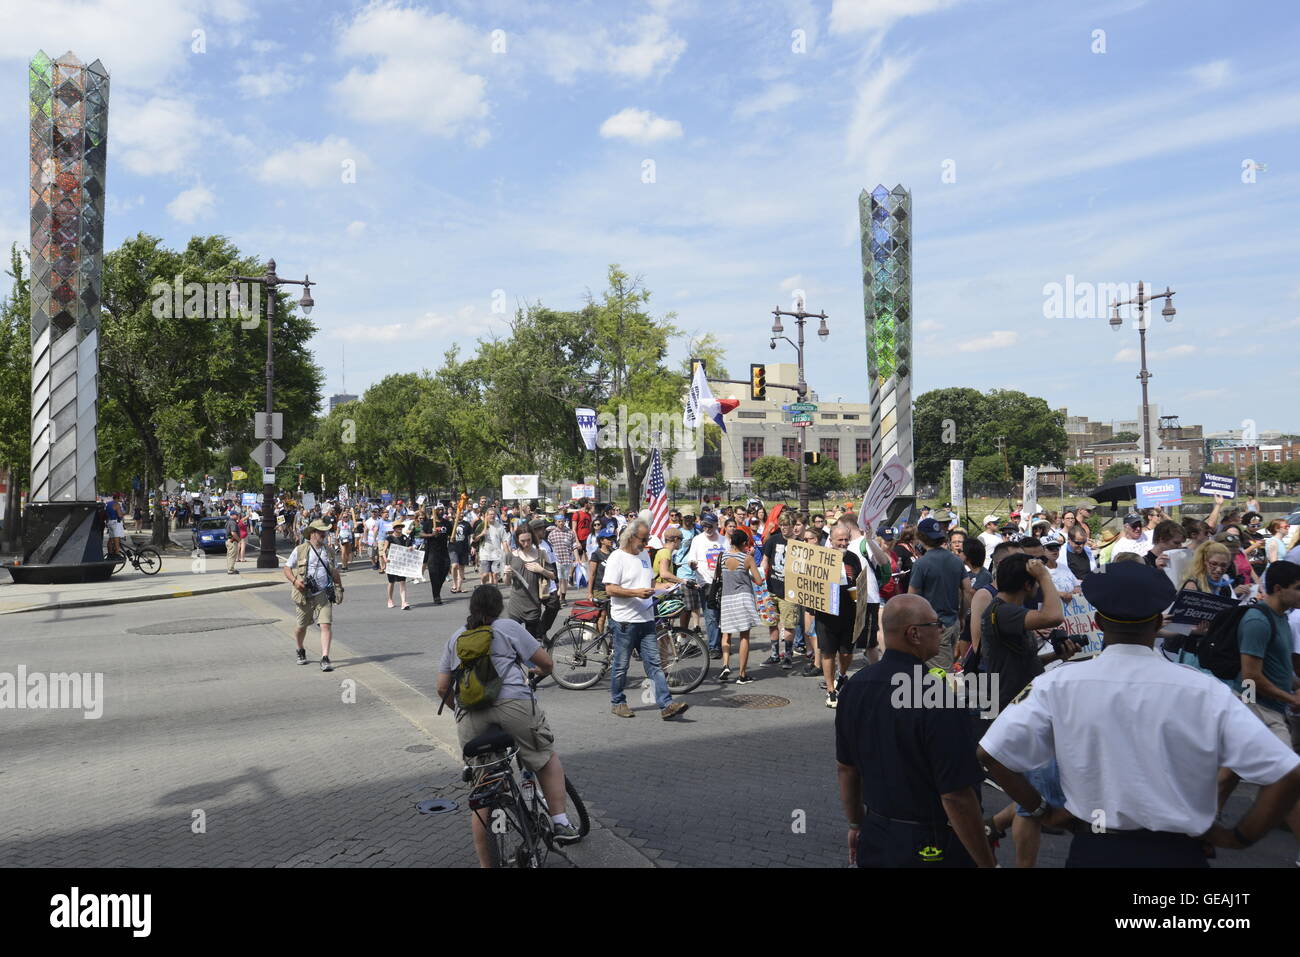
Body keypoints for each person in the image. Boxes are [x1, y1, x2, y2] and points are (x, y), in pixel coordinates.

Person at [978, 560, 1300, 867]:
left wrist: (1040, 809)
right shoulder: (1205, 691)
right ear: (1159, 623)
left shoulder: (1055, 685)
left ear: (1100, 623)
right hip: (1178, 853)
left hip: (1094, 850)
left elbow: (990, 753)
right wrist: (1239, 837)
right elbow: (1287, 773)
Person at [835, 594, 996, 868]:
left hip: (876, 835)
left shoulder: (854, 687)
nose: (942, 629)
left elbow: (846, 769)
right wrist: (986, 862)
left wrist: (855, 823)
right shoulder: (936, 695)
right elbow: (956, 795)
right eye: (936, 624)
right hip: (930, 842)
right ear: (915, 634)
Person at [435, 585, 581, 865]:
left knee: (483, 793)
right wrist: (535, 671)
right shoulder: (509, 628)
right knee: (543, 756)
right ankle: (561, 822)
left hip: (472, 716)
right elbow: (547, 664)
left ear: (472, 608)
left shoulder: (456, 637)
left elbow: (442, 688)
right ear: (498, 607)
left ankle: (487, 864)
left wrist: (460, 712)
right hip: (514, 705)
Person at [1217, 561, 1300, 859]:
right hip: (1255, 707)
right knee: (1288, 778)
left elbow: (1279, 668)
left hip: (1264, 707)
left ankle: (1195, 830)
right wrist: (1291, 700)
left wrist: (1294, 686)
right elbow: (1251, 676)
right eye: (1298, 588)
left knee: (1229, 776)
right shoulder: (1257, 620)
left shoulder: (1281, 618)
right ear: (1279, 589)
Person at [604, 519, 690, 720]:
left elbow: (650, 583)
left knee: (654, 664)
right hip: (624, 621)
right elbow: (609, 589)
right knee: (621, 665)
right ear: (631, 537)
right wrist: (635, 593)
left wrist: (670, 588)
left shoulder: (644, 554)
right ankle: (618, 702)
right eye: (643, 539)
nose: (646, 543)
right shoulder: (617, 557)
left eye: (647, 538)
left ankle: (666, 705)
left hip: (646, 619)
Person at [284, 519, 345, 672]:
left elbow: (334, 572)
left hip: (323, 593)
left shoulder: (329, 551)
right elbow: (286, 568)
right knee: (301, 626)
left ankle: (325, 657)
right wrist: (295, 581)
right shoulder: (300, 549)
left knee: (325, 624)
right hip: (304, 594)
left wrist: (339, 587)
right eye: (321, 532)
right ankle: (300, 649)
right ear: (312, 533)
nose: (324, 534)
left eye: (325, 532)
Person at [907, 518, 967, 671]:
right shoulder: (956, 561)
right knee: (946, 670)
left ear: (920, 537)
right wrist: (961, 616)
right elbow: (967, 590)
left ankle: (948, 695)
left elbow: (911, 598)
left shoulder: (921, 564)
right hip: (953, 623)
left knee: (941, 675)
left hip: (934, 627)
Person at [815, 522, 860, 709]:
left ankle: (842, 675)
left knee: (847, 652)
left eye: (846, 539)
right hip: (826, 614)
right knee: (828, 652)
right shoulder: (820, 557)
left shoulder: (853, 558)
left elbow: (858, 580)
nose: (843, 543)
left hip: (849, 612)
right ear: (831, 540)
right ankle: (830, 689)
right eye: (839, 539)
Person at [717, 530, 764, 684]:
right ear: (744, 543)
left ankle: (725, 664)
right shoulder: (747, 558)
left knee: (726, 633)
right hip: (743, 597)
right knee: (744, 636)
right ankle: (742, 674)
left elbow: (719, 576)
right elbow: (759, 581)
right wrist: (747, 574)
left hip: (726, 598)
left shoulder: (722, 556)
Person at [504, 524, 555, 642]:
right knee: (511, 641)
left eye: (529, 540)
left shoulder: (541, 553)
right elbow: (507, 583)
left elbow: (553, 576)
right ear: (517, 540)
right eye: (522, 541)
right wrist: (506, 573)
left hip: (533, 606)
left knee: (529, 644)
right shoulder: (510, 555)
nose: (526, 544)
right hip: (515, 606)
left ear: (533, 538)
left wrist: (541, 570)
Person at [687, 514, 727, 658]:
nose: (707, 529)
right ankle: (714, 647)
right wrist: (692, 564)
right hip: (706, 583)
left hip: (723, 582)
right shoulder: (698, 540)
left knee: (722, 615)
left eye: (710, 525)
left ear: (716, 525)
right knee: (711, 615)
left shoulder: (724, 540)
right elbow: (691, 559)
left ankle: (723, 643)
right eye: (704, 526)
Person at [760, 510, 797, 669]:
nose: (783, 528)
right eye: (781, 525)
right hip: (772, 587)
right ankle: (775, 654)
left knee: (789, 623)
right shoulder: (773, 540)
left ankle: (788, 655)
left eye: (786, 525)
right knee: (772, 622)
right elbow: (765, 560)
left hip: (789, 590)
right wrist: (761, 578)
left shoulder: (799, 543)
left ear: (793, 526)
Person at [421, 507, 451, 605]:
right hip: (432, 552)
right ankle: (436, 596)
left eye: (442, 510)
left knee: (445, 570)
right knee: (434, 574)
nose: (441, 511)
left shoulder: (446, 523)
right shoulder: (429, 523)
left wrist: (452, 539)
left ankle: (437, 590)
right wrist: (431, 535)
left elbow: (451, 535)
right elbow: (421, 534)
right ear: (435, 511)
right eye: (439, 510)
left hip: (444, 551)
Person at [548, 513, 578, 602]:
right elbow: (549, 548)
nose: (561, 523)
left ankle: (562, 597)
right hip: (556, 560)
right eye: (559, 521)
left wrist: (577, 558)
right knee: (559, 579)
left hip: (567, 559)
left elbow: (574, 546)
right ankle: (559, 597)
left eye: (562, 521)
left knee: (564, 579)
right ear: (556, 522)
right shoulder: (551, 534)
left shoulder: (570, 532)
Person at [385, 518, 413, 610]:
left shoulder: (405, 537)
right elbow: (384, 550)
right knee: (391, 582)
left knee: (402, 582)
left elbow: (409, 547)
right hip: (392, 563)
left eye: (401, 527)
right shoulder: (389, 538)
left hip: (402, 563)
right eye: (398, 527)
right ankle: (390, 599)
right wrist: (385, 559)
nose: (400, 528)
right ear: (394, 528)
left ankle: (404, 602)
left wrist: (410, 548)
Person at [475, 507, 507, 586]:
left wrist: (507, 553)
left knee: (495, 575)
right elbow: (474, 540)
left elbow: (504, 541)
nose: (492, 516)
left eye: (493, 514)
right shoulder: (481, 526)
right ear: (487, 516)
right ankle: (482, 585)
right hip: (485, 554)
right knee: (485, 575)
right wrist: (482, 534)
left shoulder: (500, 527)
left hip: (496, 554)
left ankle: (494, 592)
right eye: (490, 514)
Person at [448, 508, 473, 593]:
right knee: (454, 565)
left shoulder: (467, 524)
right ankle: (454, 584)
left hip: (463, 548)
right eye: (459, 513)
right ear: (455, 515)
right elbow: (446, 535)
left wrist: (472, 546)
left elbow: (471, 536)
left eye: (462, 514)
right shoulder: (450, 524)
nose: (461, 515)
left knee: (461, 568)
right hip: (453, 547)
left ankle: (459, 587)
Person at [224, 509, 241, 575]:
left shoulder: (228, 522)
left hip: (229, 541)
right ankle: (231, 570)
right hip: (232, 541)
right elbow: (233, 533)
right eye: (236, 515)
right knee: (232, 556)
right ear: (232, 515)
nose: (237, 516)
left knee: (230, 556)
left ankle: (231, 568)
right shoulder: (233, 522)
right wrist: (239, 540)